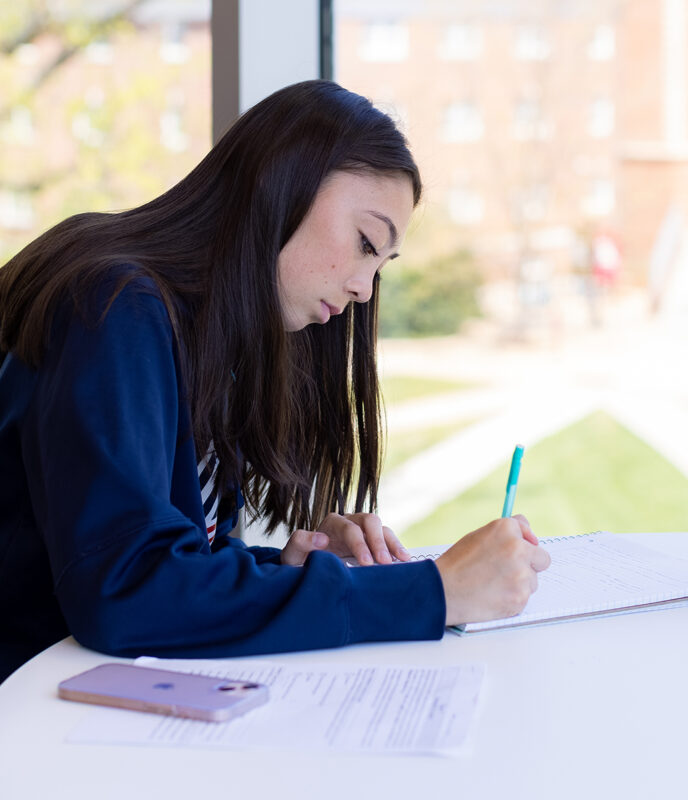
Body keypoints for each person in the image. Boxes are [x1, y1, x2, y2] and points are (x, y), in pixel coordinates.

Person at [0, 80, 550, 683]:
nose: (365, 288)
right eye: (365, 243)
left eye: (380, 266)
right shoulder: (115, 308)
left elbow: (166, 563)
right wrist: (432, 592)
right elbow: (126, 592)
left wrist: (293, 573)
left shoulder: (208, 337)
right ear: (281, 185)